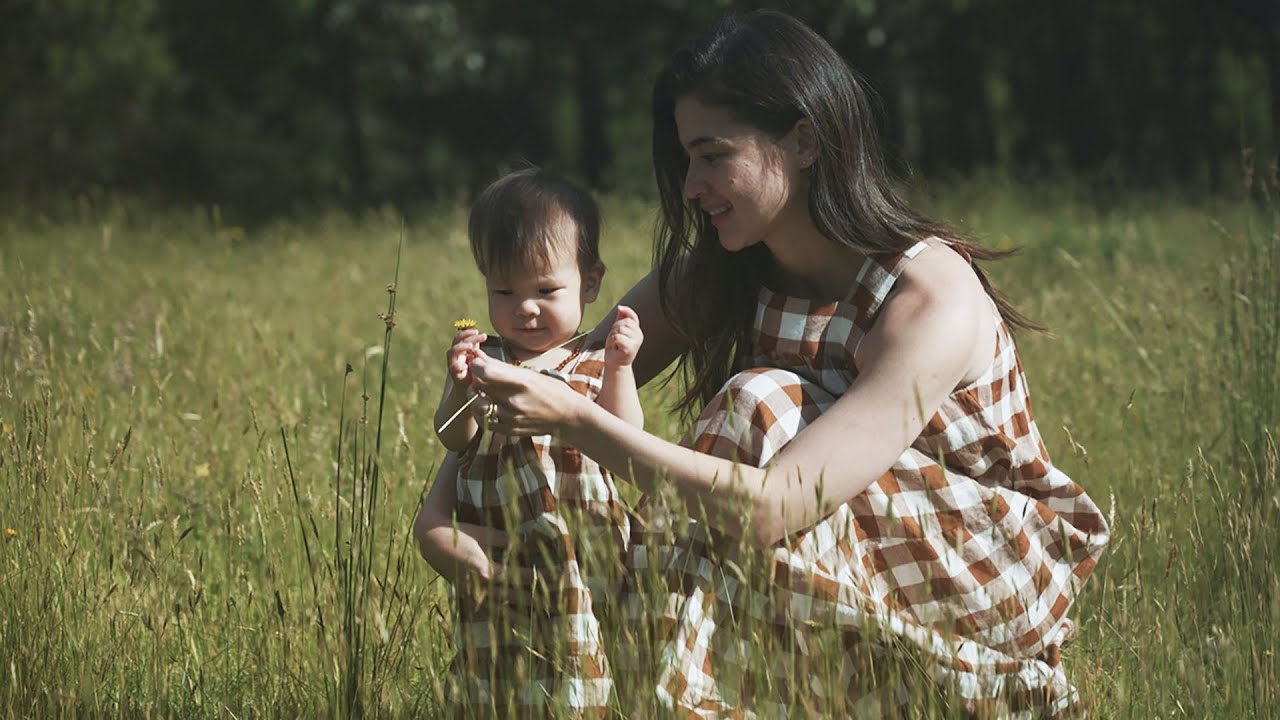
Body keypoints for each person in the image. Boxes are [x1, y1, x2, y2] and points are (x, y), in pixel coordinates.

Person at [417, 10, 1109, 718]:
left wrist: (581, 426)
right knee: (733, 446)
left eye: (713, 156)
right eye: (687, 159)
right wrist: (437, 516)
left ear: (803, 141)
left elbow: (776, 505)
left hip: (982, 577)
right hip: (831, 560)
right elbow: (552, 383)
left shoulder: (928, 296)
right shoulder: (724, 271)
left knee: (760, 405)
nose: (690, 185)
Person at [423, 167, 644, 717]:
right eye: (505, 290)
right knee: (499, 671)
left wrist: (621, 366)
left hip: (585, 553)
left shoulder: (591, 363)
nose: (525, 307)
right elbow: (455, 440)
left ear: (589, 283)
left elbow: (627, 441)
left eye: (546, 290)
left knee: (584, 664)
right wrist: (458, 386)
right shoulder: (488, 363)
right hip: (503, 550)